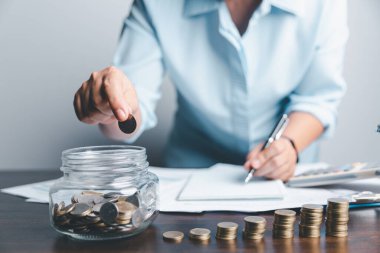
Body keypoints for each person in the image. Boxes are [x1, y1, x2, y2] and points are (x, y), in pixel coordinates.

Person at [73, 0, 348, 181]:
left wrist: (288, 145)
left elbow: (318, 98)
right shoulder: (155, 5)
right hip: (189, 174)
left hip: (283, 178)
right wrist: (112, 109)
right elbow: (134, 105)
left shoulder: (323, 5)